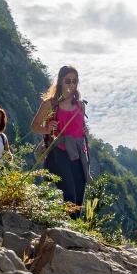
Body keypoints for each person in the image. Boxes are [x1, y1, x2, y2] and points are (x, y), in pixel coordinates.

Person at [30, 65, 90, 217]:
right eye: (68, 80)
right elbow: (34, 127)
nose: (71, 84)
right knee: (69, 193)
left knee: (78, 197)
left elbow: (80, 128)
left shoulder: (80, 105)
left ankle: (73, 231)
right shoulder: (50, 104)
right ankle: (69, 233)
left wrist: (85, 131)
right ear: (60, 82)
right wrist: (47, 128)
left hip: (77, 153)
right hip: (58, 152)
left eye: (74, 81)